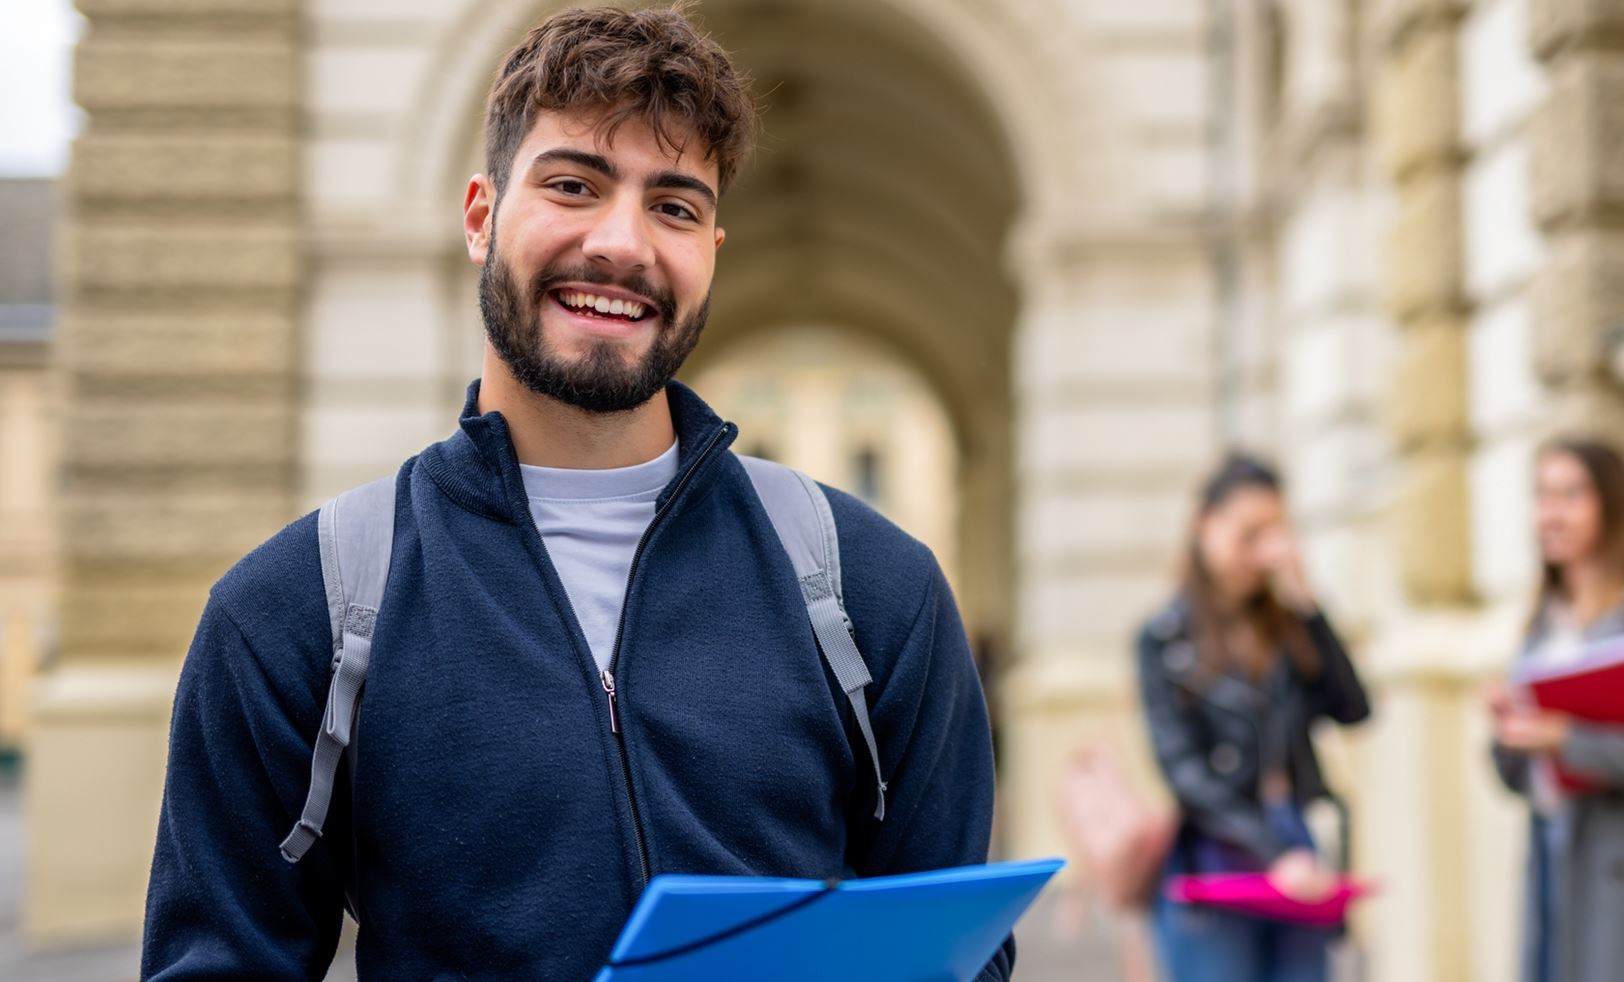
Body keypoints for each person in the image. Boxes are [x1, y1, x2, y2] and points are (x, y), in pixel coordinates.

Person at [140, 7, 1010, 979]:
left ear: (711, 250)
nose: (622, 242)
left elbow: (956, 956)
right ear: (481, 216)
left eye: (673, 206)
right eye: (573, 185)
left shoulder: (869, 588)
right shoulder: (299, 606)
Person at [1135, 453, 1370, 982]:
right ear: (1206, 527)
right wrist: (1273, 852)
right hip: (1219, 847)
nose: (1265, 552)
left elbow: (1354, 708)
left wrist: (1310, 607)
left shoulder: (1289, 627)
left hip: (1298, 839)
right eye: (1250, 534)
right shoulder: (1164, 640)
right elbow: (1185, 773)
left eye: (1275, 533)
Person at [1488, 438, 1624, 982]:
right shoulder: (1541, 625)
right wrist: (1509, 726)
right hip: (1552, 852)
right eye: (1543, 495)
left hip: (1610, 861)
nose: (1552, 513)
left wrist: (1566, 738)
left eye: (1571, 495)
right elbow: (1515, 777)